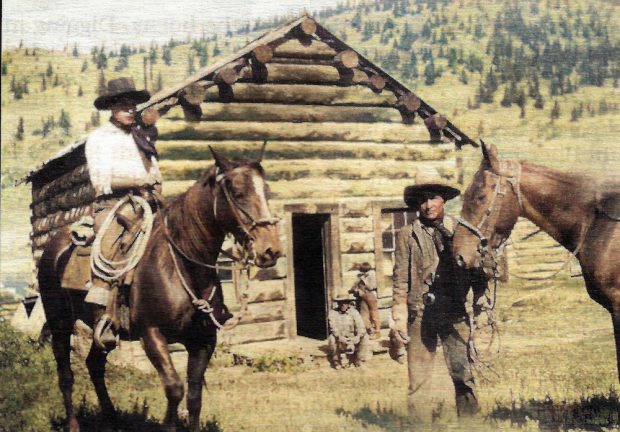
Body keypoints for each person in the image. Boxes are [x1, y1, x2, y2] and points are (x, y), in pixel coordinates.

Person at [389, 168, 489, 419]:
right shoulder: (406, 235)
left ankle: (471, 424)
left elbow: (478, 269)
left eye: (433, 198)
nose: (427, 205)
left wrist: (480, 300)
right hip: (420, 315)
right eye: (422, 200)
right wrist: (399, 315)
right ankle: (420, 425)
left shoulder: (460, 230)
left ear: (443, 200)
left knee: (462, 373)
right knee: (418, 381)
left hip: (454, 313)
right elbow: (400, 278)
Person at [84, 77, 162, 351]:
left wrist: (154, 186)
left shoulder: (142, 138)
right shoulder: (98, 139)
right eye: (123, 105)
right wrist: (137, 182)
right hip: (114, 205)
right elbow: (101, 181)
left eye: (133, 105)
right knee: (111, 248)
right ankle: (104, 314)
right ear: (111, 108)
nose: (130, 109)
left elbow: (155, 174)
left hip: (148, 203)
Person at [327, 294, 370, 369]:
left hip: (352, 338)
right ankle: (336, 361)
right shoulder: (332, 313)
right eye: (341, 302)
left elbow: (361, 326)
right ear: (337, 303)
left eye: (346, 302)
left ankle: (358, 360)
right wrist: (340, 337)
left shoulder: (354, 312)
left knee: (365, 336)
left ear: (349, 303)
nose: (343, 305)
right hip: (340, 339)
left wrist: (358, 336)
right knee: (331, 338)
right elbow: (333, 328)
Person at [349, 262, 381, 339]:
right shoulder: (360, 276)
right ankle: (370, 330)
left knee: (374, 314)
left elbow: (371, 287)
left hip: (370, 295)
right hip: (362, 296)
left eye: (361, 270)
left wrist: (363, 279)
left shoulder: (372, 275)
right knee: (363, 316)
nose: (360, 272)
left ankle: (377, 331)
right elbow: (354, 287)